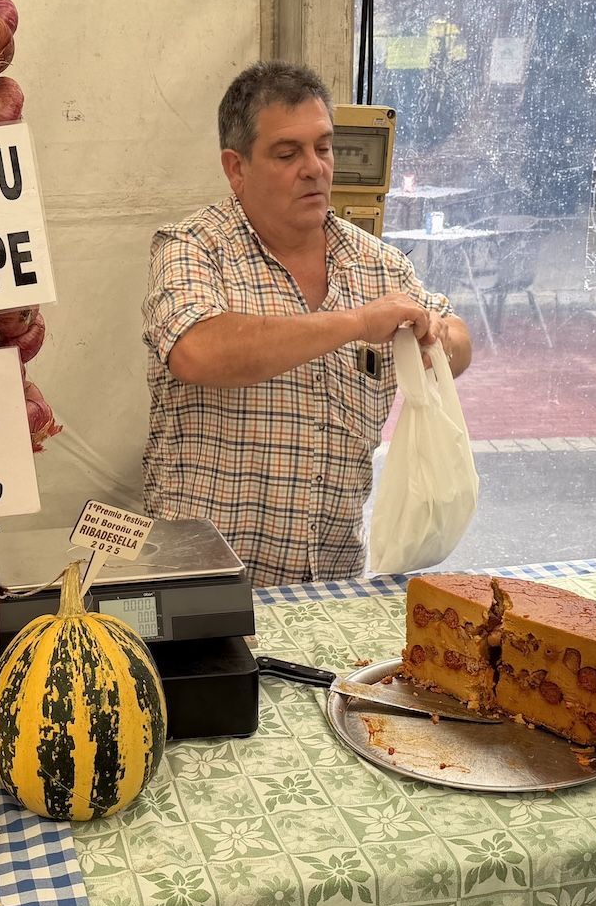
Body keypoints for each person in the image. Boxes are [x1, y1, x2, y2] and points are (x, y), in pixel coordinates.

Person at [141, 61, 473, 587]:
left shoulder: (378, 265)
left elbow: (458, 343)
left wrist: (436, 335)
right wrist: (357, 322)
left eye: (323, 147)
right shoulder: (194, 248)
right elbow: (197, 350)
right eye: (287, 153)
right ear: (236, 167)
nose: (314, 167)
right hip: (204, 589)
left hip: (332, 584)